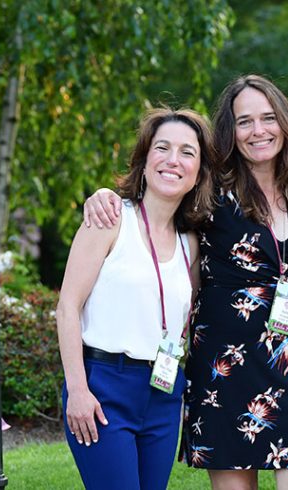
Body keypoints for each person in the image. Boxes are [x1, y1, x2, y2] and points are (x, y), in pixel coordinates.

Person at [83, 75, 288, 489]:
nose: (258, 131)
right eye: (245, 121)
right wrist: (104, 195)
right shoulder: (211, 190)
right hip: (225, 369)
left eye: (268, 118)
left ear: (284, 122)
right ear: (230, 130)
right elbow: (157, 201)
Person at [57, 107, 215, 489]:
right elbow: (67, 309)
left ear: (198, 173)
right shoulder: (109, 220)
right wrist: (77, 389)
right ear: (144, 160)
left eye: (187, 152)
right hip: (103, 387)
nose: (173, 160)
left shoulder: (190, 242)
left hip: (162, 394)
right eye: (162, 148)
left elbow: (186, 323)